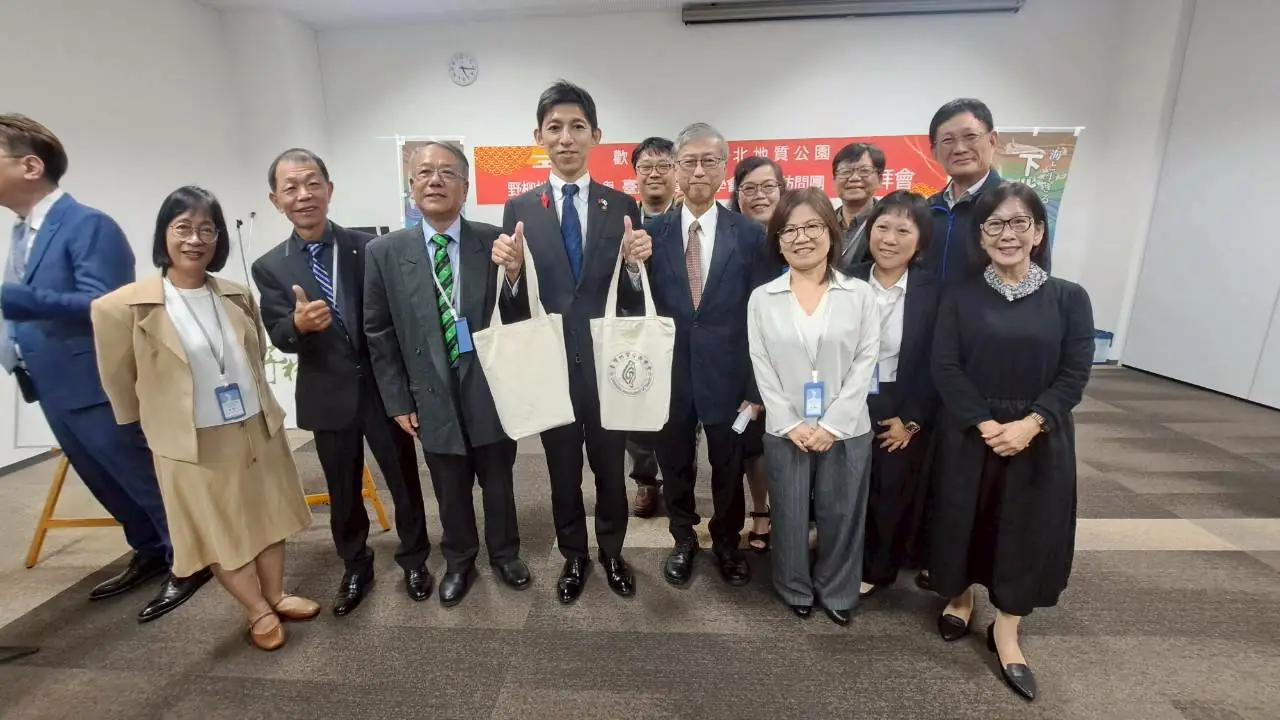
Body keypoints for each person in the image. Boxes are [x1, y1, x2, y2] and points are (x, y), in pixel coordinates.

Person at [0, 114, 210, 621]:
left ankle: (190, 558)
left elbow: (110, 304)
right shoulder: (23, 232)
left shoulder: (87, 224)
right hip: (50, 384)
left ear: (31, 166)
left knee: (138, 474)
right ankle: (150, 550)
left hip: (94, 381)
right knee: (102, 479)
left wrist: (21, 300)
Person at [91, 186, 316, 651]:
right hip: (191, 439)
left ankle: (276, 593)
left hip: (255, 425)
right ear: (164, 234)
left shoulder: (234, 295)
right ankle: (256, 609)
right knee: (217, 529)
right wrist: (154, 432)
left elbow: (252, 355)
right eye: (183, 228)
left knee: (268, 515)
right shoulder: (123, 306)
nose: (196, 239)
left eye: (207, 229)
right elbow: (118, 379)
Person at [928, 182, 1091, 701]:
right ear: (982, 235)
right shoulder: (960, 296)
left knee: (1024, 526)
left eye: (1019, 223)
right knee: (962, 517)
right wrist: (984, 423)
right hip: (970, 431)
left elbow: (1074, 374)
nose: (1007, 234)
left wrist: (1031, 424)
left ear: (1038, 232)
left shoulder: (1069, 297)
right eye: (995, 224)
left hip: (1039, 436)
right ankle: (959, 599)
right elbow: (945, 366)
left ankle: (1007, 628)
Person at [251, 148, 430, 616]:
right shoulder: (270, 266)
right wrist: (299, 327)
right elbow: (280, 335)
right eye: (291, 187)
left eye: (313, 183)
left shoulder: (368, 247)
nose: (304, 195)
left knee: (404, 479)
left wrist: (404, 387)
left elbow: (391, 319)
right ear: (276, 200)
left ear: (329, 190)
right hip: (327, 394)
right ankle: (356, 566)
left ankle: (415, 558)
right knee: (342, 488)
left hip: (381, 389)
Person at [366, 141, 532, 607]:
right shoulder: (385, 252)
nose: (434, 180)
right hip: (429, 389)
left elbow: (519, 313)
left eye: (446, 172)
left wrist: (517, 273)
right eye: (423, 173)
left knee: (498, 479)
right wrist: (397, 399)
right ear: (411, 185)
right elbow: (377, 331)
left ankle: (505, 554)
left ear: (465, 184)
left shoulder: (493, 240)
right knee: (449, 485)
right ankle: (459, 561)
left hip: (489, 386)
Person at [497, 80, 642, 604]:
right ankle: (574, 555)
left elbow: (632, 300)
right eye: (554, 127)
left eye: (577, 127)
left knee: (609, 468)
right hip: (550, 366)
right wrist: (511, 276)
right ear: (538, 136)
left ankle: (611, 550)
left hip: (606, 365)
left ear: (595, 135)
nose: (565, 137)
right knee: (561, 473)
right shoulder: (520, 208)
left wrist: (633, 265)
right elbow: (513, 305)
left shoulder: (622, 204)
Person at [625, 122, 773, 588]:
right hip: (670, 375)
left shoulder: (749, 235)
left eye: (709, 161)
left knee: (728, 464)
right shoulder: (651, 231)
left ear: (724, 168)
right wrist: (631, 266)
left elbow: (763, 315)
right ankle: (684, 537)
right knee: (676, 463)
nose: (698, 170)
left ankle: (727, 541)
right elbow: (637, 304)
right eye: (688, 161)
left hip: (729, 377)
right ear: (674, 169)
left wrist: (754, 387)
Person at [746, 187, 878, 625]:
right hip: (788, 429)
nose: (801, 238)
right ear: (778, 239)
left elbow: (865, 363)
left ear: (831, 230)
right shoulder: (762, 298)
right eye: (789, 230)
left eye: (812, 227)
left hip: (847, 428)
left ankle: (838, 590)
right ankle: (793, 585)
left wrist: (833, 425)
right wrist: (791, 423)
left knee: (842, 513)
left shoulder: (860, 294)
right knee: (788, 510)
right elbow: (761, 365)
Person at [843, 191, 940, 598]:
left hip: (900, 400)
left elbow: (939, 364)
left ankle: (877, 567)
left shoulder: (934, 292)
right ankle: (839, 553)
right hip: (849, 394)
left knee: (889, 488)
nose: (889, 238)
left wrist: (912, 420)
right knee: (845, 485)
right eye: (882, 227)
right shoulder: (845, 279)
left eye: (904, 230)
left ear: (919, 240)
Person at [728, 155, 785, 553]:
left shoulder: (797, 235)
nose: (760, 195)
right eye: (750, 188)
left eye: (768, 187)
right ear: (738, 195)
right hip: (743, 359)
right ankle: (761, 511)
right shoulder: (731, 238)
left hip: (797, 360)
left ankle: (796, 513)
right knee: (753, 443)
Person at [625, 136, 679, 517]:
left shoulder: (689, 218)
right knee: (636, 412)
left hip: (681, 331)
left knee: (679, 416)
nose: (655, 174)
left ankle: (679, 482)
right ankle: (646, 480)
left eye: (664, 165)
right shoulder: (622, 219)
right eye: (646, 167)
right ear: (636, 175)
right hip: (635, 331)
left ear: (676, 171)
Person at [923, 98, 1010, 285]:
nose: (960, 149)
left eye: (970, 136)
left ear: (992, 140)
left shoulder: (1015, 205)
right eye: (948, 140)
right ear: (935, 152)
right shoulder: (928, 209)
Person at [832, 142, 885, 272]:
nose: (854, 178)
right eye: (845, 171)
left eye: (864, 171)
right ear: (834, 179)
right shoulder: (823, 222)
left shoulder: (888, 223)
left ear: (880, 179)